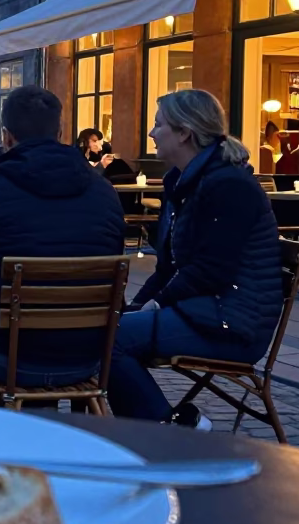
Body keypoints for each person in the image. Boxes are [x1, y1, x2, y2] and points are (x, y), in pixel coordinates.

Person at [0, 86, 126, 398]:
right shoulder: (105, 193)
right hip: (88, 356)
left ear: (6, 137)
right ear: (59, 131)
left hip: (3, 355)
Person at [107, 89, 283, 429]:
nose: (151, 133)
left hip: (233, 323)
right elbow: (169, 266)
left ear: (185, 132)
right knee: (110, 329)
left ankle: (168, 431)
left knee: (110, 340)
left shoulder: (229, 185)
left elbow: (212, 269)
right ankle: (159, 429)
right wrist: (138, 304)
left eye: (158, 125)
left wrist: (155, 305)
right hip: (208, 309)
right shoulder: (186, 183)